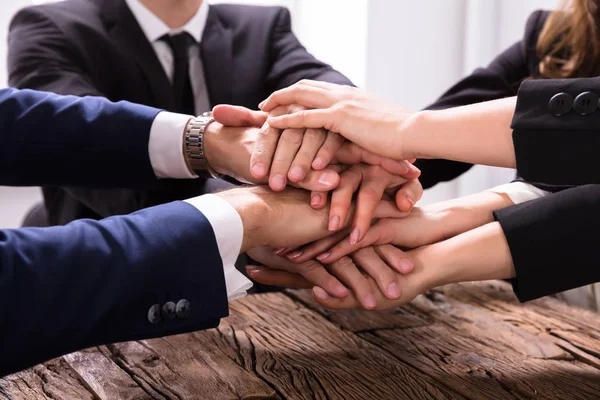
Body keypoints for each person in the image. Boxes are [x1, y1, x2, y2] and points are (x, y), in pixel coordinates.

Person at [7, 0, 357, 226]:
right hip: (109, 262)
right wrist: (259, 209)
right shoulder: (50, 26)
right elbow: (80, 146)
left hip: (264, 273)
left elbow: (331, 96)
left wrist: (326, 140)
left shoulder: (263, 25)